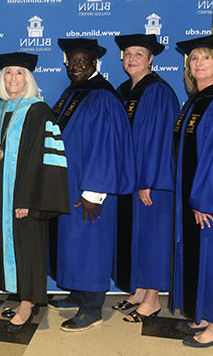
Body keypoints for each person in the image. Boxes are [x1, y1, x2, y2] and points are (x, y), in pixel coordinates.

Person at [48, 38, 136, 331]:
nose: (75, 67)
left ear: (94, 64)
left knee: (89, 244)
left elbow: (104, 147)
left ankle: (92, 308)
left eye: (82, 62)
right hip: (70, 185)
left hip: (89, 191)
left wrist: (93, 193)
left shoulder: (101, 97)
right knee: (74, 243)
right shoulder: (75, 92)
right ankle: (77, 292)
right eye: (71, 62)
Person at [0, 52, 70, 332]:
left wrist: (28, 199)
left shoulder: (38, 110)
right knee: (13, 247)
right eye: (8, 73)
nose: (13, 78)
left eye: (19, 73)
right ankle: (20, 296)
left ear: (28, 78)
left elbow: (42, 158)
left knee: (28, 248)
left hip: (25, 198)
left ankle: (28, 304)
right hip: (1, 196)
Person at [110, 34, 179, 322]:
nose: (132, 58)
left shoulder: (157, 91)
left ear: (151, 59)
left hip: (152, 181)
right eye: (127, 53)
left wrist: (146, 180)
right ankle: (139, 290)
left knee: (152, 238)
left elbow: (158, 141)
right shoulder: (124, 90)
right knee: (136, 236)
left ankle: (152, 300)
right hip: (131, 179)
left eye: (139, 53)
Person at [170, 35, 213, 348]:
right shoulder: (195, 101)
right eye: (193, 59)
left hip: (206, 199)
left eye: (206, 58)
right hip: (192, 195)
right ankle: (202, 314)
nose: (197, 64)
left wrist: (203, 199)